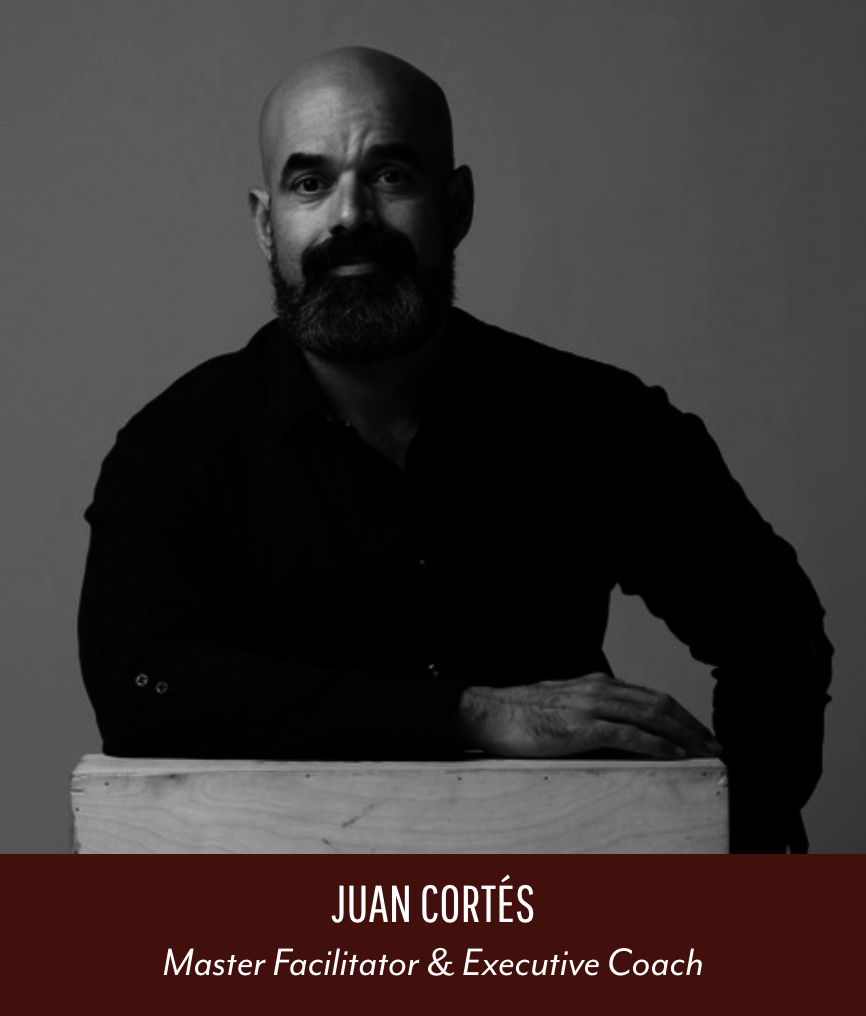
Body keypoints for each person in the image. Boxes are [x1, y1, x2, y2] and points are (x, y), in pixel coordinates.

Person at [78, 46, 832, 852]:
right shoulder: (175, 448)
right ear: (268, 225)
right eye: (310, 182)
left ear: (457, 204)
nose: (350, 216)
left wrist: (744, 836)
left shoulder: (598, 422)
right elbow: (140, 684)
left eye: (390, 175)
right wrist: (473, 712)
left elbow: (773, 626)